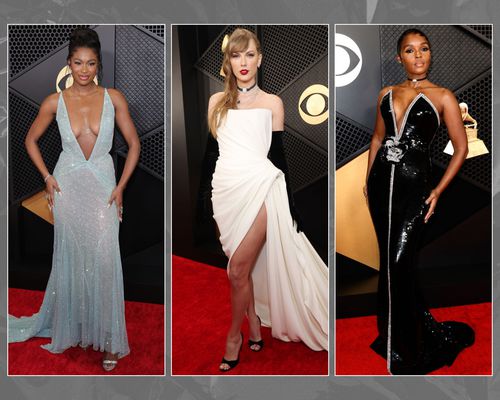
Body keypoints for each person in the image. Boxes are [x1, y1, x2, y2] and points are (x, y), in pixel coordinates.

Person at [9, 27, 140, 372]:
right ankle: (75, 327)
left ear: (98, 65)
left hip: (103, 186)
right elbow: (30, 140)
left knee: (105, 260)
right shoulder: (55, 102)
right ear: (69, 64)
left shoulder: (115, 98)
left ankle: (110, 339)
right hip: (67, 186)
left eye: (91, 63)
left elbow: (135, 144)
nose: (85, 69)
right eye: (78, 63)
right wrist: (48, 178)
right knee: (73, 258)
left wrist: (121, 186)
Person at [203, 28, 328, 372]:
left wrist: (289, 204)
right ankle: (255, 320)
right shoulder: (216, 102)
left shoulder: (273, 103)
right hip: (225, 191)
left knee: (237, 269)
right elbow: (211, 155)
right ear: (227, 62)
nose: (243, 62)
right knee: (240, 271)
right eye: (235, 55)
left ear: (260, 58)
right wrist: (204, 203)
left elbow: (279, 158)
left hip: (261, 187)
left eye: (249, 54)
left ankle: (234, 337)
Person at [365, 28, 474, 375]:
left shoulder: (443, 96)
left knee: (400, 264)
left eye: (424, 49)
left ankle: (409, 348)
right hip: (382, 187)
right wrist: (368, 181)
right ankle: (394, 336)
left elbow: (461, 148)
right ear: (400, 58)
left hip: (417, 190)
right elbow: (378, 138)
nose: (418, 56)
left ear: (430, 54)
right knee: (389, 264)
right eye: (410, 51)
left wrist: (438, 191)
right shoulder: (386, 92)